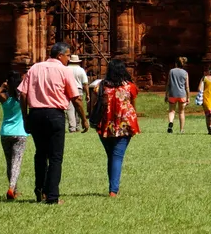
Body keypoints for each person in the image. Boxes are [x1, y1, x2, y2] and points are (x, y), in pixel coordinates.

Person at [19, 42, 88, 205]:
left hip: (35, 114)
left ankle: (40, 190)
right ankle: (52, 196)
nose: (69, 59)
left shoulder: (34, 68)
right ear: (60, 55)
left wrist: (25, 116)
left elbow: (22, 93)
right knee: (56, 157)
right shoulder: (64, 70)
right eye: (68, 55)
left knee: (40, 154)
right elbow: (76, 98)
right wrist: (84, 119)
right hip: (55, 115)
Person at [91, 60, 141, 197]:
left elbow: (93, 105)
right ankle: (113, 190)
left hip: (105, 125)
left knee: (111, 156)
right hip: (125, 125)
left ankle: (113, 188)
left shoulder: (100, 86)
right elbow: (133, 105)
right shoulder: (130, 87)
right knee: (117, 156)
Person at [0, 71, 27, 200]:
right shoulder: (22, 97)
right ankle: (11, 188)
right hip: (20, 133)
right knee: (17, 162)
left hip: (5, 133)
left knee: (9, 163)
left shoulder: (3, 96)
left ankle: (14, 190)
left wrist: (1, 87)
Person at [64, 54, 89, 132]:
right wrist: (87, 94)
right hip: (78, 89)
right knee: (78, 108)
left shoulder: (66, 69)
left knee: (70, 109)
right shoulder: (81, 70)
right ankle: (77, 126)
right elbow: (85, 83)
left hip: (67, 89)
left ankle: (72, 127)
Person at [165, 57, 190, 133]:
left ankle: (170, 123)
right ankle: (181, 129)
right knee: (181, 112)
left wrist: (166, 95)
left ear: (176, 63)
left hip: (172, 94)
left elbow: (168, 84)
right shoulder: (185, 73)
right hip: (182, 94)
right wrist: (188, 97)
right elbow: (187, 86)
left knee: (171, 111)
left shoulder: (171, 71)